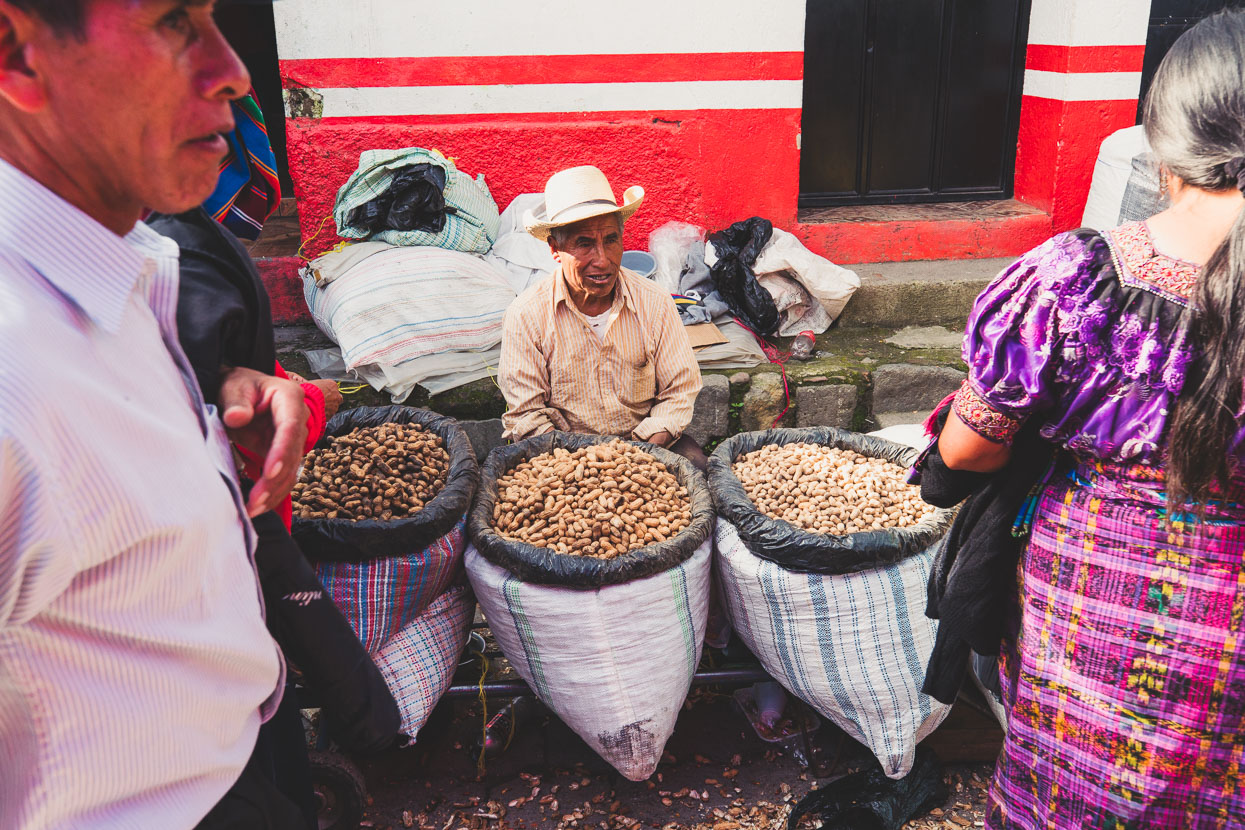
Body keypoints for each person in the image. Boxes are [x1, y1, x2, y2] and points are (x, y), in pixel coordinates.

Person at [927, 10, 1245, 827]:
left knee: (1071, 795)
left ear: (1159, 142)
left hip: (1090, 613)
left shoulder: (1075, 278)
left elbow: (966, 449)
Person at [0, 1, 313, 827]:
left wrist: (212, 410)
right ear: (15, 54)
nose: (235, 73)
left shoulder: (124, 264)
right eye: (174, 21)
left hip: (244, 754)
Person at [498, 165, 705, 467]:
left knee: (699, 471)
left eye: (610, 240)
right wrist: (580, 464)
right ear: (555, 248)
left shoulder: (655, 302)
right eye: (584, 244)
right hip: (563, 455)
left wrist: (636, 453)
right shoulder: (526, 315)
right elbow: (526, 414)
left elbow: (679, 390)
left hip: (644, 445)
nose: (603, 260)